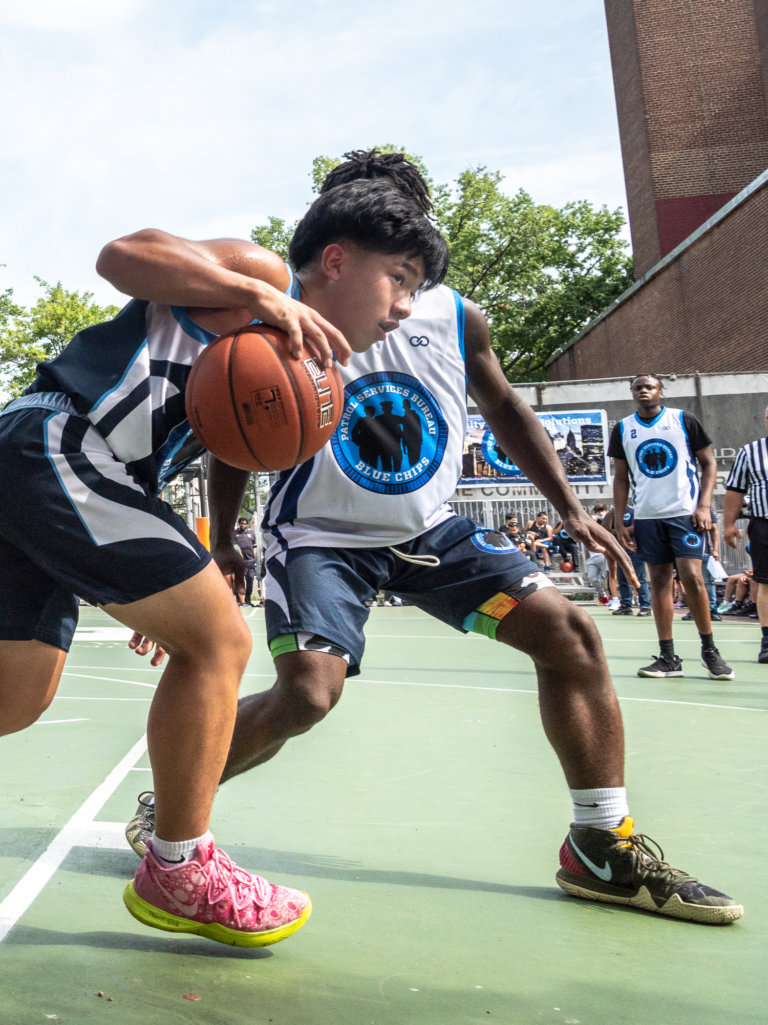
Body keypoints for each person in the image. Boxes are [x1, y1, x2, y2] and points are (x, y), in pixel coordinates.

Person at [0, 174, 446, 947]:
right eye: (400, 280)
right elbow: (123, 256)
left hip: (26, 461)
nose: (403, 306)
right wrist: (262, 299)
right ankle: (180, 866)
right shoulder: (263, 279)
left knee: (13, 692)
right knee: (222, 642)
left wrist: (187, 570)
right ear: (335, 260)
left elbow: (196, 447)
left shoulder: (294, 361)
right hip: (54, 444)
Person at [121, 151, 739, 927]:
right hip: (319, 533)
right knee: (310, 692)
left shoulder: (453, 313)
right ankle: (175, 806)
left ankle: (599, 841)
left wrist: (572, 507)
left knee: (571, 634)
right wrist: (223, 538)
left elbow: (507, 405)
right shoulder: (287, 298)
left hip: (431, 530)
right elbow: (241, 423)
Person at [611, 375, 731, 680]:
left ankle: (709, 651)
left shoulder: (682, 420)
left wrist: (704, 505)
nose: (643, 391)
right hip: (647, 517)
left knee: (692, 576)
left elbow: (709, 463)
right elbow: (622, 477)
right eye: (638, 387)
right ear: (633, 394)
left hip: (684, 514)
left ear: (660, 392)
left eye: (649, 386)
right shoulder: (623, 428)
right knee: (659, 582)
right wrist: (622, 520)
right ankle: (668, 657)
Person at [723, 402, 768, 662]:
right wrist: (729, 524)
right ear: (765, 421)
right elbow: (735, 490)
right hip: (764, 524)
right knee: (764, 583)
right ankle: (767, 641)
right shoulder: (750, 452)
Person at [233, 517, 258, 606]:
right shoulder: (234, 533)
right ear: (239, 524)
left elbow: (254, 546)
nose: (243, 525)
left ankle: (248, 600)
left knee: (250, 579)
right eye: (241, 523)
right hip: (238, 561)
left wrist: (255, 556)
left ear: (246, 524)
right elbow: (234, 546)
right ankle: (239, 600)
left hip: (250, 561)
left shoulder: (251, 533)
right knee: (239, 580)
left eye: (244, 523)